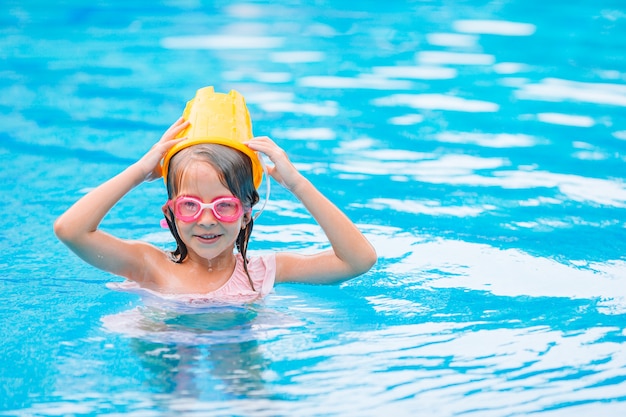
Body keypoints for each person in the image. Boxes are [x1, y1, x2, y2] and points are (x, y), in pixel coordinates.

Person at [54, 87, 377, 304]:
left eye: (224, 206)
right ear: (170, 213)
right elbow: (70, 230)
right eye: (189, 206)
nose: (206, 220)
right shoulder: (148, 266)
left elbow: (357, 261)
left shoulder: (262, 273)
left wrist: (298, 185)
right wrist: (139, 170)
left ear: (247, 212)